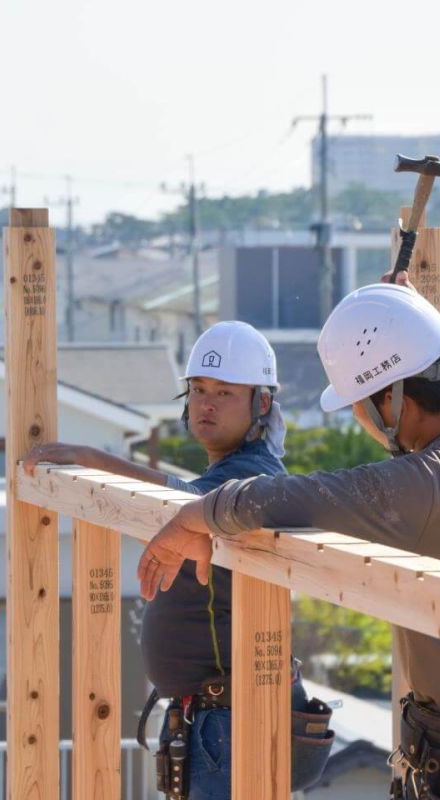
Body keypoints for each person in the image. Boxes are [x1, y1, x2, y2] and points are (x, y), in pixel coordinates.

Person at [136, 277, 440, 800]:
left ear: (390, 402)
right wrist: (408, 320)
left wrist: (195, 515)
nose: (357, 417)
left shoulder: (423, 486)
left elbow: (282, 496)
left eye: (358, 403)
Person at [23, 321, 326, 799]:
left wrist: (92, 458)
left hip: (227, 721)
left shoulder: (252, 472)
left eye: (225, 392)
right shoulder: (228, 470)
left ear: (262, 404)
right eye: (199, 389)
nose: (206, 403)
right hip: (211, 720)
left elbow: (191, 505)